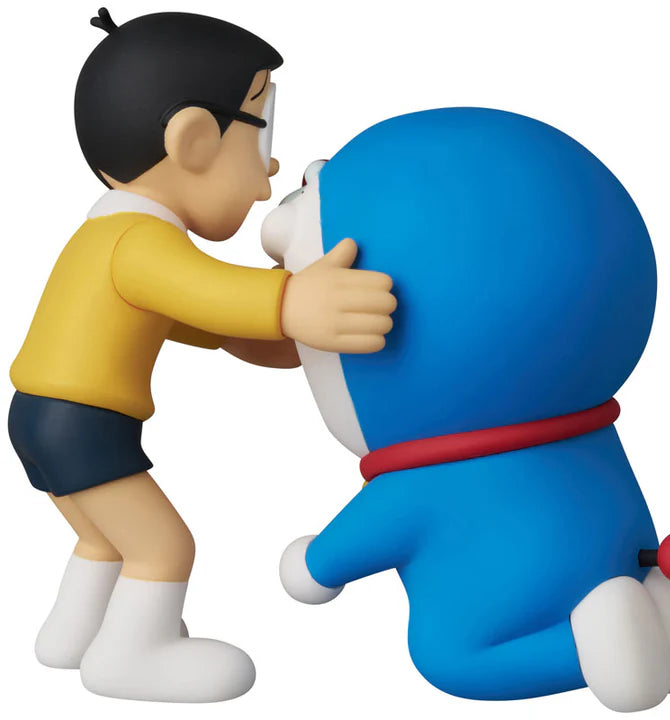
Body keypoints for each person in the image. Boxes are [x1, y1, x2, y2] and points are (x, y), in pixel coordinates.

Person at [8, 8, 396, 703]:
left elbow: (193, 316)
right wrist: (293, 301)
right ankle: (130, 657)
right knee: (163, 547)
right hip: (83, 423)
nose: (269, 172)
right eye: (261, 132)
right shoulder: (139, 241)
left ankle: (72, 637)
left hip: (43, 418)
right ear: (193, 140)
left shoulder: (109, 238)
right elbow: (209, 291)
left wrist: (265, 334)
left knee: (105, 539)